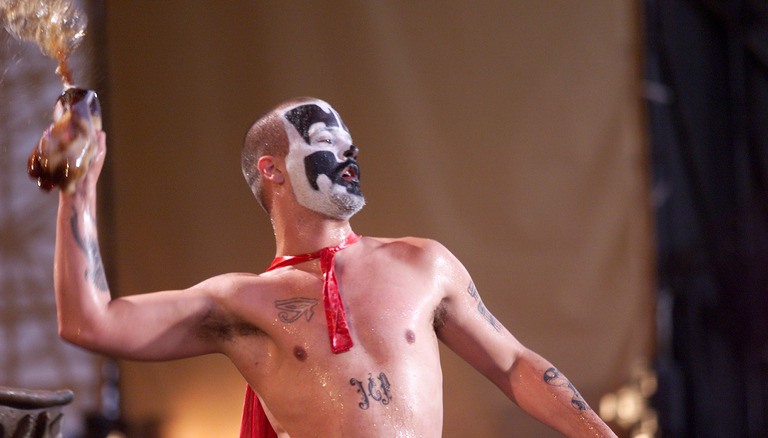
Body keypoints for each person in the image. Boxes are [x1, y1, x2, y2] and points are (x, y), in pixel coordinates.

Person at [52, 96, 617, 437]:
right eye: (325, 141)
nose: (348, 155)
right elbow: (90, 321)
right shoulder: (243, 303)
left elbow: (514, 364)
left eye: (350, 143)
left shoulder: (424, 263)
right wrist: (76, 189)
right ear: (272, 171)